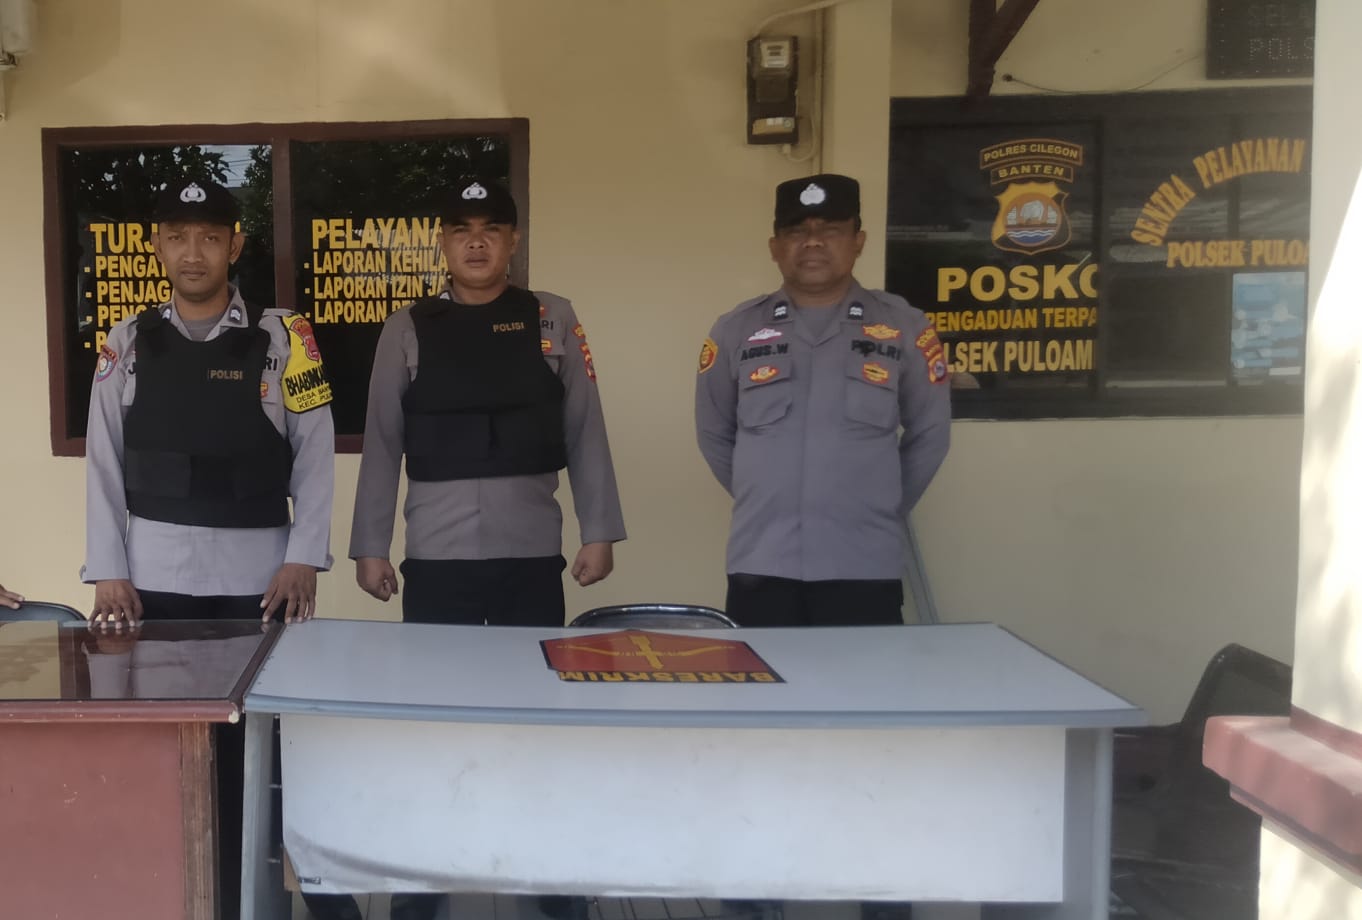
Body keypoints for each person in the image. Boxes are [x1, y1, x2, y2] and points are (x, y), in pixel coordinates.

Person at [349, 177, 624, 920]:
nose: (476, 243)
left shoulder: (552, 318)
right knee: (431, 722)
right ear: (442, 242)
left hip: (530, 553)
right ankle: (422, 879)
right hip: (436, 560)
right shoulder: (407, 327)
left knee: (536, 718)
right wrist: (370, 545)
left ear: (512, 241)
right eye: (461, 229)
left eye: (491, 229)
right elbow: (383, 440)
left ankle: (547, 877)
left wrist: (599, 528)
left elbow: (584, 426)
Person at [81, 176, 338, 918]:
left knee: (261, 749)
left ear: (235, 245)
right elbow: (103, 461)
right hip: (152, 581)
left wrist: (305, 555)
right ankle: (182, 894)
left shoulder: (286, 338)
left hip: (260, 579)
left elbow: (316, 451)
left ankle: (267, 895)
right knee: (167, 747)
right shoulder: (128, 343)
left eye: (210, 237)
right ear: (158, 246)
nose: (193, 252)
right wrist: (109, 571)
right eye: (178, 237)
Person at [695, 173, 951, 627]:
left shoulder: (905, 327)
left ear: (858, 242)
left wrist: (876, 503)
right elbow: (714, 432)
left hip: (864, 563)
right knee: (765, 675)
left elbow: (930, 434)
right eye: (797, 231)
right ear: (775, 247)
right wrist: (766, 495)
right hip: (762, 561)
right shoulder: (735, 330)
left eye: (830, 229)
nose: (812, 242)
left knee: (864, 676)